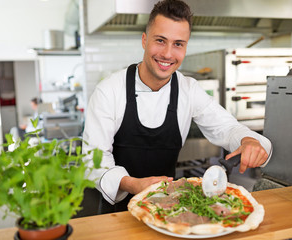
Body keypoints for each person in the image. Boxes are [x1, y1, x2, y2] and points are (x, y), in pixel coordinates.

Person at [82, 0, 272, 213]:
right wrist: (133, 184)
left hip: (166, 210)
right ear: (144, 40)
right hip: (116, 212)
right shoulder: (109, 90)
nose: (168, 54)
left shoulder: (188, 89)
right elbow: (93, 162)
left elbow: (227, 128)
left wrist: (248, 140)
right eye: (160, 41)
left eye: (178, 44)